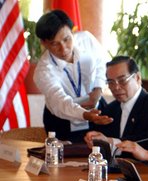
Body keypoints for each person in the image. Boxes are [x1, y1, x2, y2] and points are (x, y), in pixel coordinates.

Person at [34, 10, 113, 142]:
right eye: (54, 43)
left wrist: (98, 88)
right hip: (61, 118)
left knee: (102, 153)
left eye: (66, 39)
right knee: (64, 158)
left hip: (95, 107)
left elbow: (102, 63)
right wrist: (85, 115)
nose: (64, 48)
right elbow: (59, 101)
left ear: (72, 31)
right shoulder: (43, 71)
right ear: (44, 43)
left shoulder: (86, 39)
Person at [85, 56, 148, 142]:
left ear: (137, 78)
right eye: (111, 82)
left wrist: (111, 142)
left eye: (122, 80)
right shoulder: (109, 110)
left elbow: (147, 146)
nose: (116, 87)